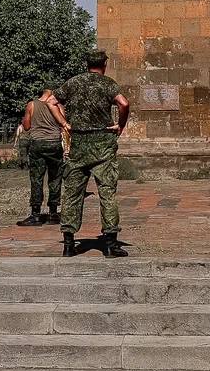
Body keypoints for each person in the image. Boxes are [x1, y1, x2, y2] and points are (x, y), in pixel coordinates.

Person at [53, 51, 131, 258]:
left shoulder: (73, 83)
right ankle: (111, 243)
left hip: (78, 144)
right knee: (107, 193)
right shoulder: (108, 84)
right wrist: (120, 125)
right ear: (104, 64)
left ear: (86, 64)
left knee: (72, 193)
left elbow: (51, 101)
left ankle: (69, 244)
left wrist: (64, 123)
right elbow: (124, 103)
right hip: (103, 144)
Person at [16, 88, 65, 226]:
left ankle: (36, 214)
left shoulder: (32, 105)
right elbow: (63, 124)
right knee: (55, 178)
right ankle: (54, 213)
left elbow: (26, 126)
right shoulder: (58, 106)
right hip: (54, 144)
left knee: (36, 179)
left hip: (38, 144)